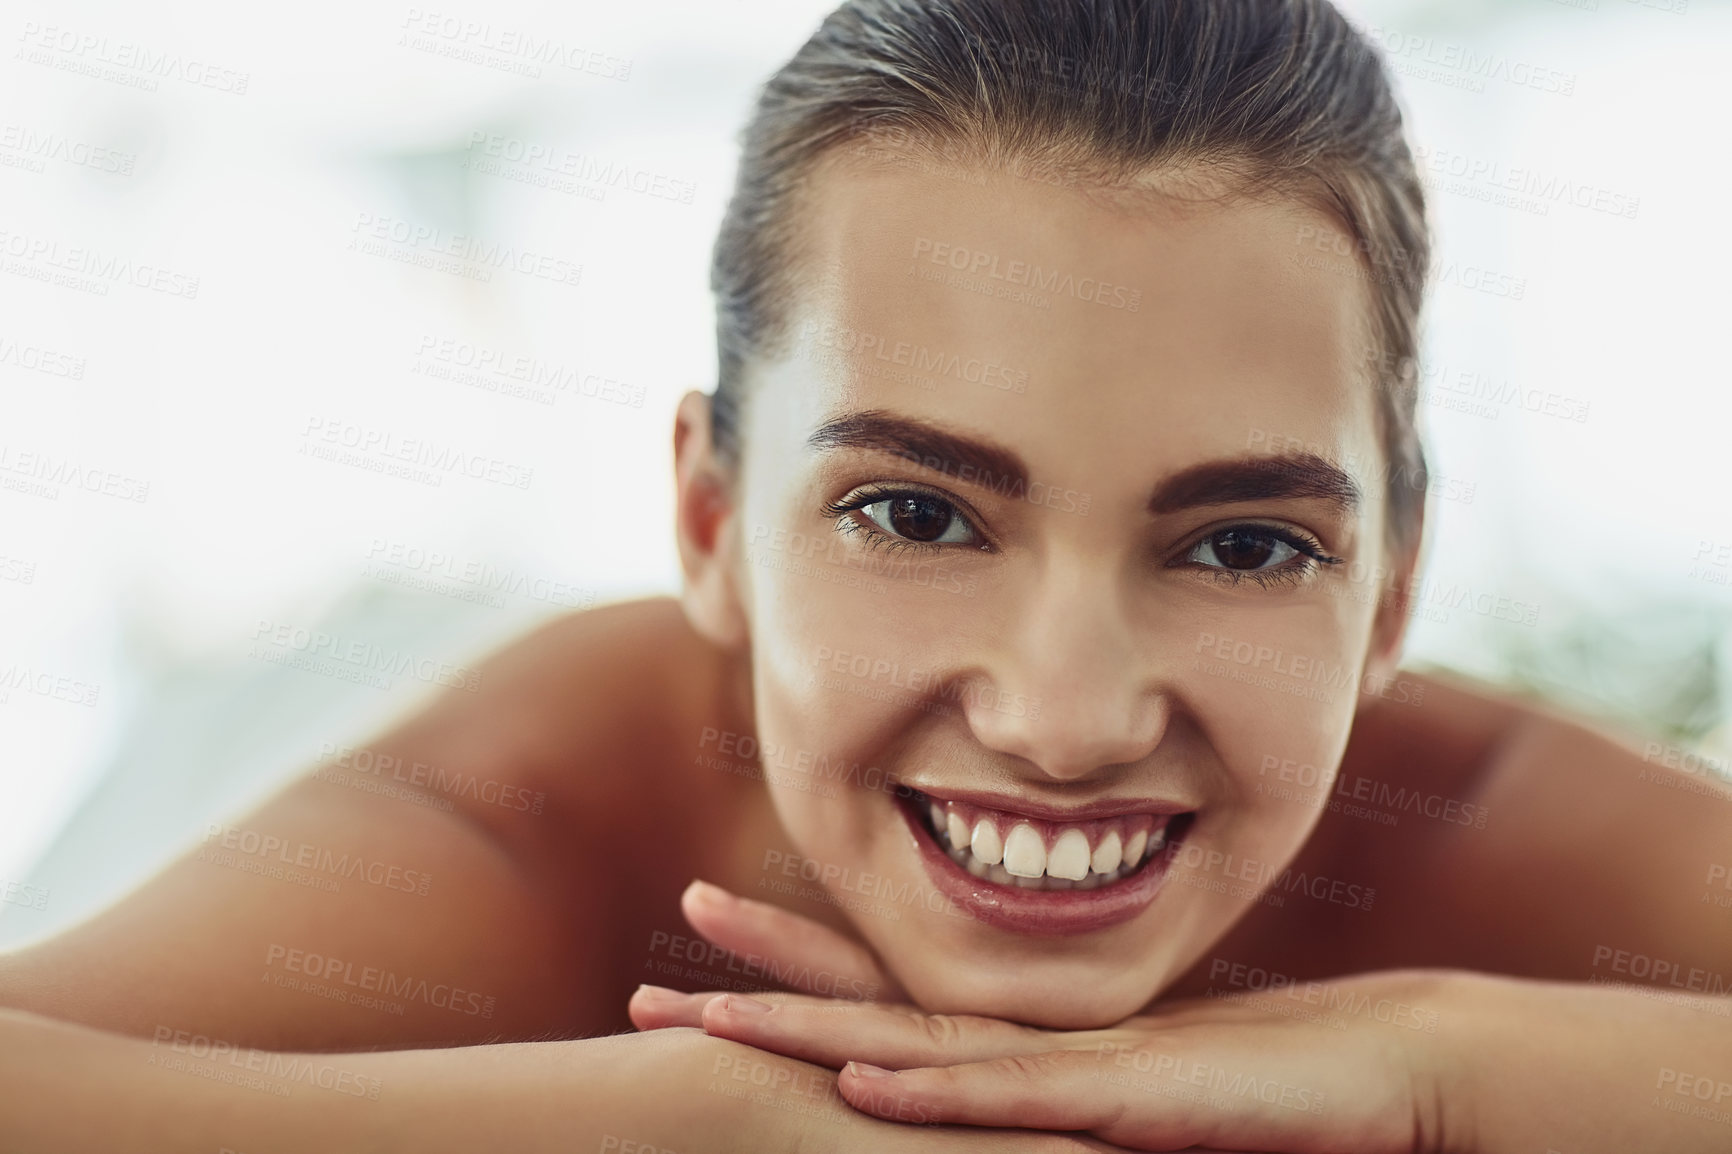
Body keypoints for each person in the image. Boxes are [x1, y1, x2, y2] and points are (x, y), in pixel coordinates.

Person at [3, 0, 1727, 1150]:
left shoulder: (1488, 844)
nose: (1064, 721)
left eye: (1246, 544)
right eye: (917, 515)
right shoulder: (547, 805)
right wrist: (701, 1119)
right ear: (707, 523)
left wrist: (1433, 1063)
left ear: (1399, 594)